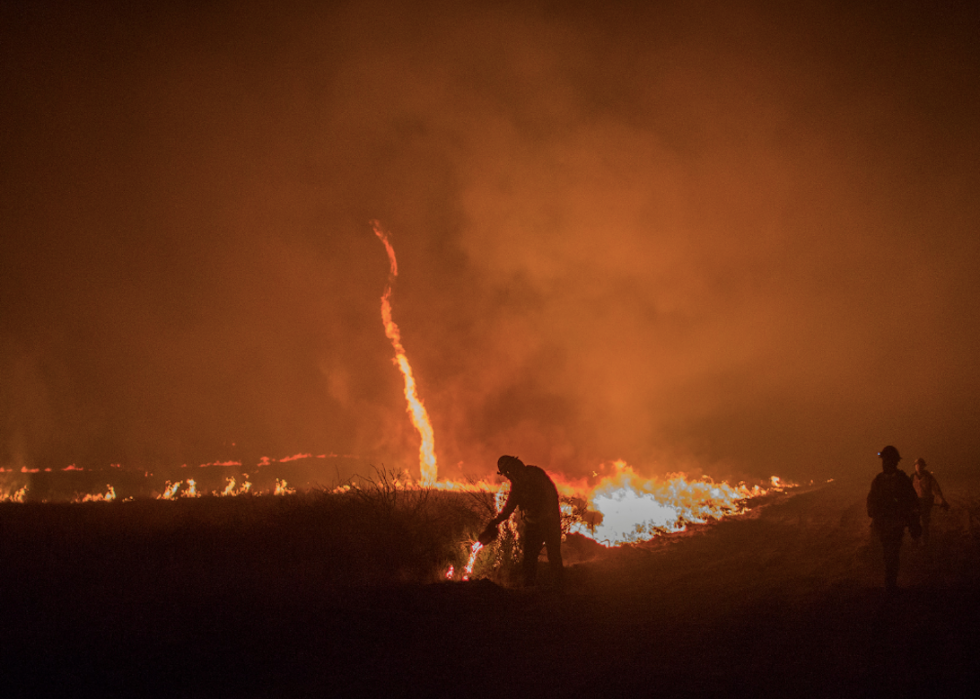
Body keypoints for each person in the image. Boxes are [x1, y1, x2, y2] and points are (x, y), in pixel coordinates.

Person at [479, 455, 564, 587]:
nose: (507, 477)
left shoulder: (536, 474)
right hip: (533, 523)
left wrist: (545, 514)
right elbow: (510, 506)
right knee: (529, 558)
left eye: (507, 473)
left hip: (549, 521)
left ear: (513, 468)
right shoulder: (517, 486)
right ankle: (529, 588)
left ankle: (559, 587)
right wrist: (496, 522)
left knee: (553, 554)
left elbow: (551, 495)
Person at [866, 445, 921, 592]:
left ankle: (890, 582)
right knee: (887, 553)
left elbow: (912, 501)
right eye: (884, 461)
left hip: (896, 523)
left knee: (893, 552)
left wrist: (914, 523)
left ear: (894, 462)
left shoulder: (902, 480)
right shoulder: (878, 481)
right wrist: (872, 511)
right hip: (883, 524)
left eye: (888, 461)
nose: (885, 464)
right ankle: (890, 580)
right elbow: (871, 500)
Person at [911, 457, 950, 544]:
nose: (918, 467)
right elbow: (907, 490)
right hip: (916, 503)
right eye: (916, 465)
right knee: (915, 522)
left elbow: (936, 489)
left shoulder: (929, 477)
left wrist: (941, 500)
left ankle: (924, 541)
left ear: (923, 466)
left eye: (920, 465)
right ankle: (916, 540)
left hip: (926, 502)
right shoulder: (912, 477)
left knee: (925, 522)